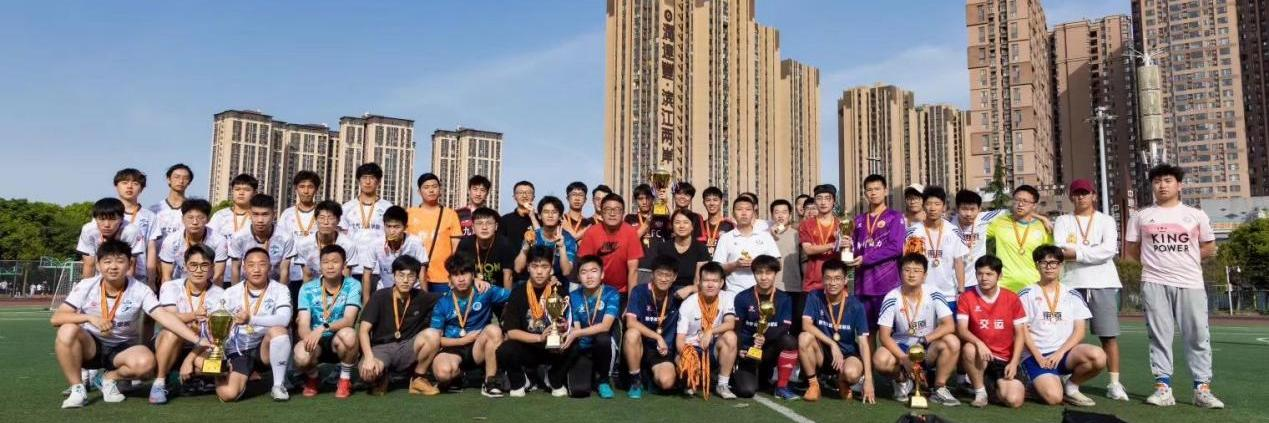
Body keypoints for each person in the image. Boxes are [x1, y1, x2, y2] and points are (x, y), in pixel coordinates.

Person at [53, 240, 209, 409]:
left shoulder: (141, 289)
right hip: (91, 346)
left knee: (146, 364)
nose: (113, 267)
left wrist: (197, 340)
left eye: (120, 261)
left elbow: (164, 316)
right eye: (107, 262)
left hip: (124, 348)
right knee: (67, 329)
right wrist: (90, 318)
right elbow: (57, 318)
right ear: (98, 265)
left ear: (129, 264)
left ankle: (108, 378)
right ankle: (77, 389)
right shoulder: (86, 285)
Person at [1126, 164, 1224, 409]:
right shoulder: (1140, 216)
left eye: (1168, 180)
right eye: (1157, 181)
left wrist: (1184, 260)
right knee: (1160, 336)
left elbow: (1209, 246)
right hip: (1154, 282)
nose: (1162, 185)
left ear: (1179, 185)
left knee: (1198, 336)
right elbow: (1132, 249)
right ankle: (1163, 389)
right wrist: (1155, 264)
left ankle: (1201, 389)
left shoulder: (1196, 215)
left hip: (1190, 283)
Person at [1053, 178, 1127, 401]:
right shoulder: (1063, 220)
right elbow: (1060, 249)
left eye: (1085, 193)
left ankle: (1114, 383)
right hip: (1071, 284)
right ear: (1071, 197)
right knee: (1067, 335)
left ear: (1094, 195)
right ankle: (1066, 377)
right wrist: (1091, 251)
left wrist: (1077, 253)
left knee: (1108, 336)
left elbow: (1109, 250)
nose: (1081, 197)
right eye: (1076, 193)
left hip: (1103, 283)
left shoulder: (1106, 220)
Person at [1018, 245, 1105, 407]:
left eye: (1054, 263)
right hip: (1037, 356)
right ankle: (1031, 381)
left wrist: (1059, 353)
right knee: (1054, 398)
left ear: (1061, 265)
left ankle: (1071, 387)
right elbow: (1022, 330)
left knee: (1098, 356)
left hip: (1064, 354)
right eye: (1043, 262)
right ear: (1036, 265)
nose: (1049, 267)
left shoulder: (1072, 294)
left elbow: (1079, 332)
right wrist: (1038, 356)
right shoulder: (1026, 294)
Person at [872, 253, 962, 406]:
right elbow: (884, 336)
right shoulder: (892, 297)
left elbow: (949, 325)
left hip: (927, 346)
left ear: (925, 275)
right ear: (900, 273)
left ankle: (939, 388)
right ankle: (902, 381)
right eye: (907, 270)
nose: (911, 274)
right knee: (880, 359)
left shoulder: (934, 293)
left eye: (917, 270)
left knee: (952, 341)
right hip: (902, 346)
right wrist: (904, 358)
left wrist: (924, 340)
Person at [425, 254, 508, 397]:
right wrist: (463, 340)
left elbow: (517, 294)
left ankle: (490, 382)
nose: (461, 279)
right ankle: (460, 376)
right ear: (450, 279)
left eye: (465, 273)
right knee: (443, 374)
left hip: (478, 347)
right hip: (452, 348)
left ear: (473, 275)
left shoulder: (485, 291)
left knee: (494, 330)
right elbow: (437, 340)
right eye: (456, 275)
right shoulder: (443, 302)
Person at [357, 255, 442, 395]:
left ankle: (418, 378)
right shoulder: (379, 296)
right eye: (401, 275)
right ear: (393, 276)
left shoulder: (422, 296)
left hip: (408, 346)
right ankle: (382, 376)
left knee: (433, 335)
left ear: (416, 278)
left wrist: (474, 281)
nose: (405, 280)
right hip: (381, 348)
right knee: (368, 373)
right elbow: (363, 330)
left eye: (411, 276)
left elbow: (451, 295)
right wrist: (369, 358)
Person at [150, 244, 225, 404]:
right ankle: (160, 382)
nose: (198, 270)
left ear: (212, 268)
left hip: (201, 348)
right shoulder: (170, 286)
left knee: (218, 367)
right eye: (193, 265)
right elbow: (167, 317)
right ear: (185, 266)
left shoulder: (220, 294)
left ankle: (194, 378)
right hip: (170, 344)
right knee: (172, 331)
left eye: (204, 265)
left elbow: (215, 336)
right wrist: (193, 315)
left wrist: (189, 359)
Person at [496, 246, 573, 397]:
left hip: (552, 348)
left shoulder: (559, 290)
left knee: (575, 344)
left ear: (551, 269)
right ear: (528, 267)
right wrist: (539, 337)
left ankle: (554, 377)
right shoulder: (518, 292)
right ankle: (520, 381)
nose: (539, 271)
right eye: (535, 266)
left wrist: (563, 328)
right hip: (528, 347)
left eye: (544, 266)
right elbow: (511, 332)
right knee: (504, 350)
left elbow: (567, 324)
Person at [799, 259, 874, 403]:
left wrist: (869, 379)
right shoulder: (814, 296)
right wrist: (832, 344)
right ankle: (813, 384)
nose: (832, 283)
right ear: (823, 279)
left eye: (837, 278)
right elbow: (806, 325)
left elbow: (864, 343)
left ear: (845, 280)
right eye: (828, 278)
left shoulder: (856, 305)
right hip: (823, 354)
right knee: (804, 337)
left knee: (852, 374)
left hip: (847, 355)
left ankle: (842, 380)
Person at [956, 255, 1026, 408]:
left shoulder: (1011, 298)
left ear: (999, 276)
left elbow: (1021, 334)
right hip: (980, 356)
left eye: (989, 274)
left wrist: (1014, 362)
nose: (984, 278)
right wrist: (979, 343)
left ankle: (990, 384)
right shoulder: (967, 297)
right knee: (969, 348)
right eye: (980, 273)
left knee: (1014, 400)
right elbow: (961, 330)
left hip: (1004, 358)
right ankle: (980, 392)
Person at [293, 245, 362, 398]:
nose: (330, 266)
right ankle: (313, 377)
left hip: (338, 339)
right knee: (301, 357)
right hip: (315, 341)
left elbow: (349, 320)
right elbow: (303, 323)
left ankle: (344, 379)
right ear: (320, 265)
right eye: (325, 262)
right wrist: (308, 338)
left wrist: (322, 328)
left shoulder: (353, 285)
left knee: (350, 335)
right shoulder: (307, 288)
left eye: (335, 262)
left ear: (344, 265)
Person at [731, 255, 797, 399]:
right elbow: (737, 328)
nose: (764, 277)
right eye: (759, 272)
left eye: (768, 273)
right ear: (754, 274)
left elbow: (784, 328)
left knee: (789, 341)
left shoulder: (784, 298)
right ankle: (740, 374)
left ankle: (782, 386)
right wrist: (740, 349)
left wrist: (763, 337)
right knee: (747, 391)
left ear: (775, 274)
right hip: (749, 352)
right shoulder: (742, 297)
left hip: (769, 352)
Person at [851, 175, 907, 332]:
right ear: (865, 193)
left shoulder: (895, 217)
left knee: (890, 331)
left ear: (885, 191)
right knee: (865, 332)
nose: (873, 193)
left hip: (886, 285)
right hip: (862, 285)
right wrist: (845, 247)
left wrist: (866, 259)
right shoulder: (858, 220)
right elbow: (853, 248)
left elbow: (896, 247)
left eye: (877, 189)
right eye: (869, 190)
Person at [675, 262, 738, 399]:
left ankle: (722, 384)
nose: (710, 285)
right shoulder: (688, 304)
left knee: (730, 337)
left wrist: (710, 331)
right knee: (680, 359)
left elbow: (730, 323)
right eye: (706, 280)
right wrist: (687, 357)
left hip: (713, 348)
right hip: (693, 348)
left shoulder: (727, 297)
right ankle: (690, 379)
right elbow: (680, 339)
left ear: (721, 283)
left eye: (715, 281)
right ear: (699, 282)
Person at [623, 255, 682, 398]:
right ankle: (635, 381)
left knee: (667, 382)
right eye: (660, 274)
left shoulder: (677, 294)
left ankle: (648, 376)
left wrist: (692, 288)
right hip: (640, 346)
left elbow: (705, 287)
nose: (663, 279)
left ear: (674, 277)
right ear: (652, 275)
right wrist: (657, 337)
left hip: (662, 351)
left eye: (668, 275)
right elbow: (630, 322)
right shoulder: (639, 291)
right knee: (632, 333)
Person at [564, 256, 621, 398]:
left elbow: (605, 326)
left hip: (603, 346)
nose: (589, 276)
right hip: (583, 347)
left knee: (602, 338)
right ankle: (589, 373)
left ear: (602, 274)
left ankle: (603, 379)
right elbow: (575, 326)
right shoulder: (573, 296)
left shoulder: (611, 293)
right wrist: (572, 331)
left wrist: (576, 333)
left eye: (594, 271)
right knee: (579, 391)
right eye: (584, 272)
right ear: (578, 277)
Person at [905, 186, 969, 310]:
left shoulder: (953, 231)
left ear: (944, 207)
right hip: (922, 295)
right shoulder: (913, 232)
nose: (933, 208)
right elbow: (909, 264)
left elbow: (958, 262)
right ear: (923, 206)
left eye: (937, 204)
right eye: (928, 204)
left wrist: (961, 290)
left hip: (949, 296)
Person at [986, 185, 1053, 293]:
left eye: (1025, 201)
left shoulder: (1043, 227)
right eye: (1017, 200)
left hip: (1033, 285)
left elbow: (1050, 257)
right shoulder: (999, 222)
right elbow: (976, 227)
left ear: (1034, 205)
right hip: (1003, 285)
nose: (1020, 204)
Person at [578, 193, 644, 294]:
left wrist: (631, 301)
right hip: (597, 290)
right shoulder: (591, 232)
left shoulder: (631, 232)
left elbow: (633, 270)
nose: (612, 214)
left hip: (623, 290)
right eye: (608, 209)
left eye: (617, 210)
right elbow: (586, 267)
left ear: (623, 213)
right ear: (601, 212)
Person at [713, 195, 780, 294]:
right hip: (734, 293)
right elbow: (717, 268)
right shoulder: (725, 238)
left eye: (748, 209)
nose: (744, 213)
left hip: (762, 292)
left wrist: (757, 264)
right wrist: (735, 265)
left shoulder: (765, 236)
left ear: (753, 213)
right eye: (739, 209)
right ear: (733, 214)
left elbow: (777, 263)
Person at [407, 172, 462, 292]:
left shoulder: (450, 214)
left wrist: (453, 273)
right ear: (419, 192)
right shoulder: (410, 213)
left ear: (440, 189)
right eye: (426, 187)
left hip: (443, 276)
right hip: (414, 275)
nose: (431, 190)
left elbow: (455, 248)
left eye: (434, 186)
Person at [342, 163, 393, 283]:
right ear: (359, 181)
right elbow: (341, 239)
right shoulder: (347, 207)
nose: (368, 182)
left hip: (379, 269)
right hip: (352, 267)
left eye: (372, 178)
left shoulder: (388, 207)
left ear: (378, 181)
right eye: (364, 178)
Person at [227, 194, 295, 284]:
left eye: (265, 214)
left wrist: (281, 291)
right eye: (255, 214)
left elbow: (284, 271)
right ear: (249, 214)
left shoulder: (286, 238)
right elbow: (235, 269)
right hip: (246, 286)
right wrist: (235, 292)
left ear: (273, 215)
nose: (260, 220)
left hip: (274, 285)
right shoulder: (238, 237)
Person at [640, 209, 708, 296]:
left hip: (692, 295)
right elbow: (659, 276)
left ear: (692, 226)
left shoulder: (701, 249)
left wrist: (689, 289)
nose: (681, 226)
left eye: (686, 222)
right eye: (677, 222)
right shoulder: (663, 248)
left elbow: (699, 282)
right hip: (667, 293)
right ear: (672, 226)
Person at [158, 198, 227, 284]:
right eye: (190, 217)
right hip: (179, 286)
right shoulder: (171, 241)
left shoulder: (219, 241)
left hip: (207, 286)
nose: (195, 222)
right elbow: (166, 277)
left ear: (208, 219)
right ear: (182, 219)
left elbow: (218, 276)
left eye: (200, 217)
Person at [365, 206, 427, 301]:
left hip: (412, 292)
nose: (392, 231)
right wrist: (366, 304)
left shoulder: (415, 242)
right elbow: (367, 274)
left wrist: (425, 301)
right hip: (385, 291)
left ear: (405, 227)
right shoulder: (375, 244)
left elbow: (422, 275)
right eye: (388, 226)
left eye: (397, 227)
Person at [513, 196, 577, 284]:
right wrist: (525, 248)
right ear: (539, 216)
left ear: (560, 216)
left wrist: (562, 247)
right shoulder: (532, 235)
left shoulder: (567, 238)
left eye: (554, 212)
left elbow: (566, 272)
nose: (550, 216)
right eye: (546, 212)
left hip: (559, 285)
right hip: (534, 284)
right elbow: (518, 268)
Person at [77, 197, 146, 279]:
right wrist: (87, 286)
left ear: (122, 218)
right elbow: (89, 264)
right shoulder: (88, 230)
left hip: (134, 274)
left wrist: (125, 286)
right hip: (100, 274)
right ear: (95, 219)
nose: (106, 225)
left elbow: (130, 266)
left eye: (112, 219)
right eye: (101, 219)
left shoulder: (131, 231)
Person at [148, 164, 194, 287]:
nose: (181, 181)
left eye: (185, 178)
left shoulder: (192, 210)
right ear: (169, 179)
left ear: (189, 182)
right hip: (157, 268)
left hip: (184, 268)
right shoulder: (154, 210)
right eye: (177, 177)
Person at [952, 190, 1005, 293]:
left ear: (979, 209)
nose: (968, 214)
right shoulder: (949, 223)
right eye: (964, 209)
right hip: (953, 283)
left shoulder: (984, 218)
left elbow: (1011, 211)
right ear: (957, 209)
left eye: (973, 209)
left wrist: (1039, 216)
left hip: (977, 282)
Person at [278, 171, 321, 296]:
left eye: (310, 187)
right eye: (302, 187)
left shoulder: (323, 214)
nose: (306, 191)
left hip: (317, 272)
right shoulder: (287, 214)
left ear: (316, 189)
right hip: (292, 273)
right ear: (296, 189)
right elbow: (281, 243)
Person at [112, 168, 158, 285]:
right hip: (109, 272)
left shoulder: (149, 216)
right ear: (116, 186)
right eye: (124, 182)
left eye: (135, 183)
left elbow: (151, 248)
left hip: (139, 276)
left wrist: (151, 281)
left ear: (141, 189)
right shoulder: (106, 214)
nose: (129, 186)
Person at [295, 200, 359, 285]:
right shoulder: (303, 244)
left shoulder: (348, 245)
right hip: (314, 288)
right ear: (315, 219)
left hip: (338, 288)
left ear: (338, 220)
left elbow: (346, 277)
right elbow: (307, 276)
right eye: (322, 218)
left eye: (331, 218)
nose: (326, 222)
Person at [209, 174, 257, 283]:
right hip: (221, 275)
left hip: (250, 276)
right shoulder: (219, 216)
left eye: (246, 190)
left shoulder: (257, 217)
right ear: (232, 192)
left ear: (254, 193)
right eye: (237, 189)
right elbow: (209, 243)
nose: (241, 193)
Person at [456, 207, 517, 289]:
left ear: (496, 226)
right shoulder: (465, 244)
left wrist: (507, 296)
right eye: (479, 223)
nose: (484, 227)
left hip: (497, 289)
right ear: (473, 227)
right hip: (473, 288)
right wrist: (474, 280)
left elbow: (508, 276)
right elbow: (459, 271)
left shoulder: (505, 244)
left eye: (489, 223)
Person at [800, 184, 841, 294]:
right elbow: (808, 249)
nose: (823, 202)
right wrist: (834, 245)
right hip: (813, 283)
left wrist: (845, 244)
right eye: (819, 198)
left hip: (836, 283)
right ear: (815, 202)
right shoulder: (806, 224)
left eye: (827, 198)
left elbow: (847, 254)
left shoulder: (842, 224)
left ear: (834, 201)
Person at [769, 200, 803, 329]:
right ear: (772, 215)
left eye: (784, 212)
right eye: (776, 212)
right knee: (773, 326)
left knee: (794, 326)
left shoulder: (797, 234)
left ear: (790, 214)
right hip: (772, 287)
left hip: (793, 287)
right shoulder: (765, 236)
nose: (780, 215)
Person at [697, 187, 735, 254]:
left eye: (715, 200)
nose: (711, 203)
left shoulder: (730, 225)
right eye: (708, 200)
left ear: (721, 202)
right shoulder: (699, 225)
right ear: (704, 203)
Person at [498, 181, 538, 245]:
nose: (524, 196)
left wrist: (533, 217)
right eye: (520, 193)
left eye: (528, 193)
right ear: (514, 197)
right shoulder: (505, 220)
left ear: (533, 197)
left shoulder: (540, 219)